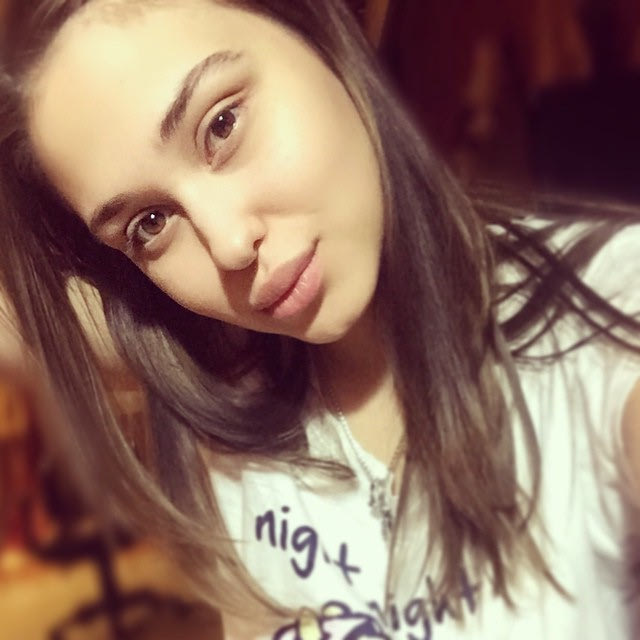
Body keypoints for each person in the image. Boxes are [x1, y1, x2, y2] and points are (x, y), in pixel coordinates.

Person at [0, 1, 640, 638]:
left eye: (221, 124)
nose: (228, 244)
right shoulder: (211, 382)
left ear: (318, 30)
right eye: (150, 223)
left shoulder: (605, 314)